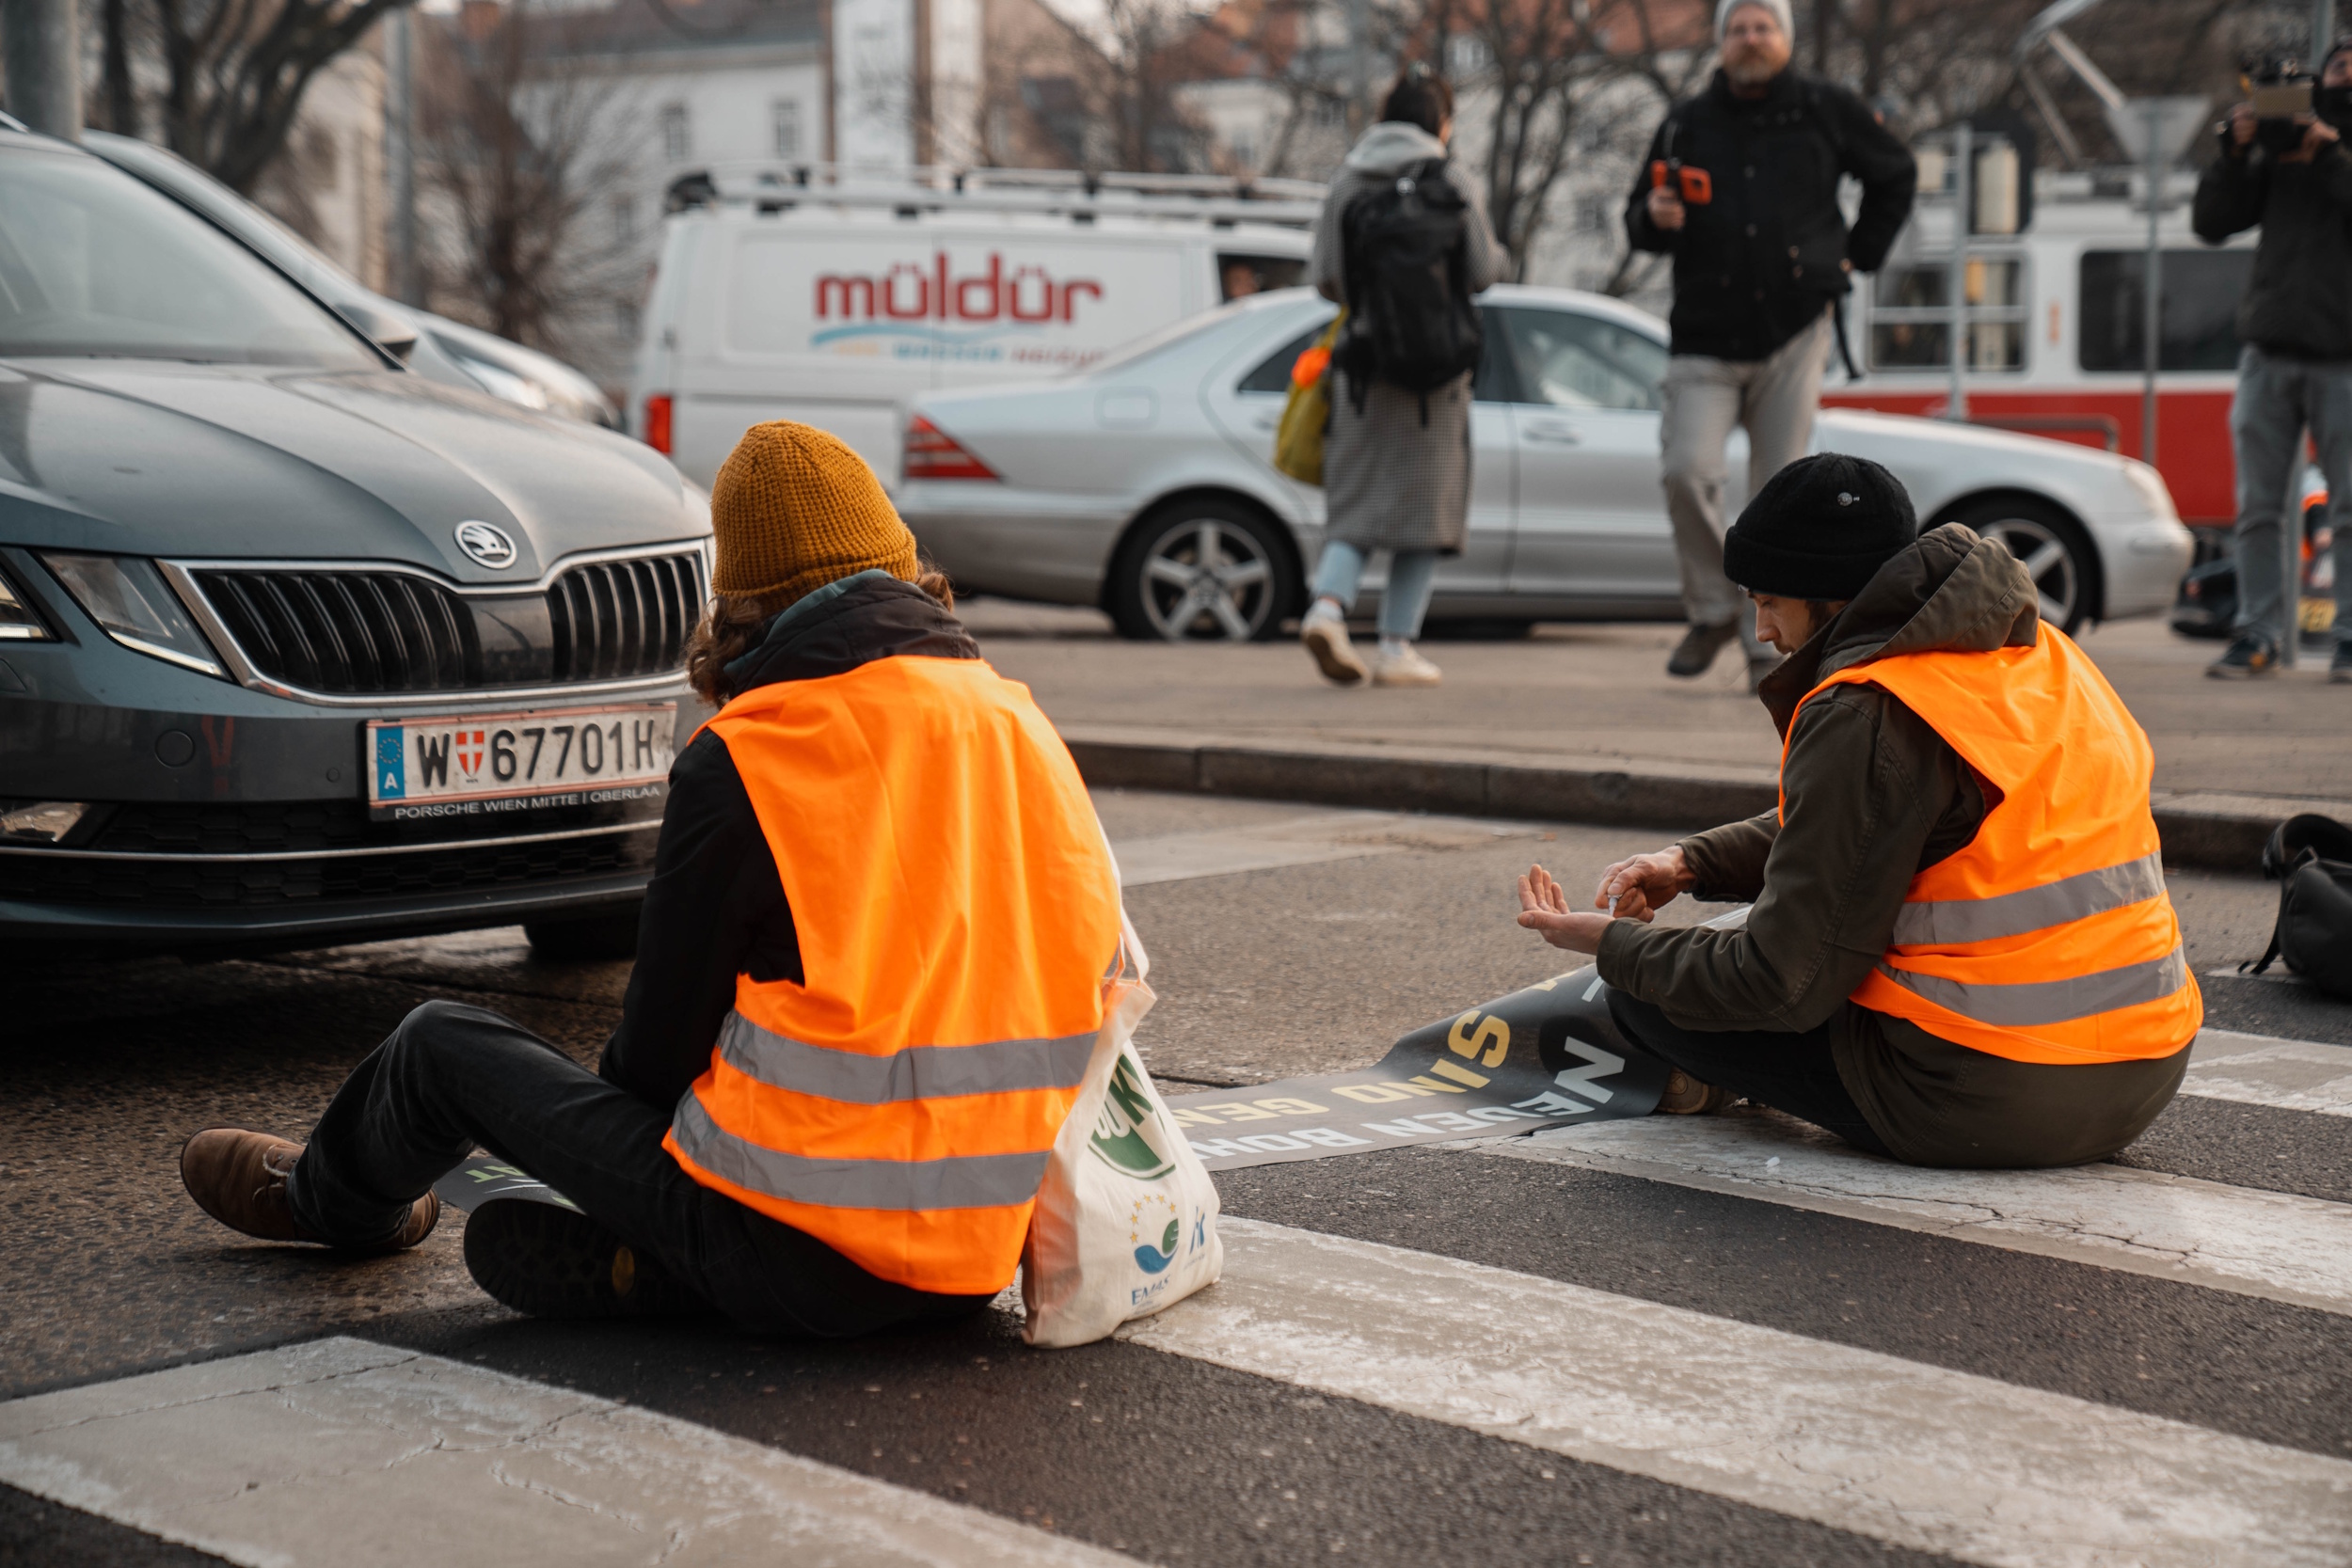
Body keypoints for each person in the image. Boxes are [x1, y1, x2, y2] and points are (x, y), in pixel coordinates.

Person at [177, 421, 1126, 1334]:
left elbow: (655, 1066)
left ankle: (337, 1203)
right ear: (904, 566)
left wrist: (601, 1144)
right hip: (975, 1265)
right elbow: (1098, 984)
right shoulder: (1022, 728)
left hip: (785, 1241)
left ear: (738, 604)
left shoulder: (751, 757)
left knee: (437, 1048)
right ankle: (660, 1268)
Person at [1515, 453, 2200, 1168]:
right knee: (1761, 933)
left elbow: (1779, 982)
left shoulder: (1867, 707)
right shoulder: (2043, 657)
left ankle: (1700, 1077)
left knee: (1646, 998)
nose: (1761, 632)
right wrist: (1691, 861)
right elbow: (1880, 823)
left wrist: (1607, 945)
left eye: (1769, 601)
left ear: (1829, 597)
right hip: (2146, 1072)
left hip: (1988, 1097)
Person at [1625, 0, 1915, 689]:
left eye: (1763, 27)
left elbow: (1895, 174)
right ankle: (1711, 610)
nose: (1750, 39)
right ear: (1721, 42)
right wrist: (1654, 217)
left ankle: (1770, 642)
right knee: (1685, 471)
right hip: (1703, 335)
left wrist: (1856, 256)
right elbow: (1638, 217)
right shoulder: (1685, 122)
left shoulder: (1826, 108)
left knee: (1779, 493)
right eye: (1738, 28)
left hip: (1793, 330)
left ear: (1783, 38)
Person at [1298, 66, 1504, 689]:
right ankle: (1395, 646)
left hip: (1365, 369)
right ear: (1441, 122)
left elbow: (1326, 278)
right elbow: (1484, 270)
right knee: (1426, 512)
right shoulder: (1453, 178)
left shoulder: (1350, 180)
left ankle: (1328, 608)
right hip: (1437, 381)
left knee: (1359, 506)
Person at [2193, 38, 2352, 682]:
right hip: (2269, 348)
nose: (2348, 73)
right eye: (2341, 64)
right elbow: (2212, 221)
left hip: (2345, 355)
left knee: (2350, 507)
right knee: (2257, 507)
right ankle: (2255, 633)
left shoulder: (2329, 148)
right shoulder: (2279, 138)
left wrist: (2331, 155)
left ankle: (2349, 638)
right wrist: (2235, 151)